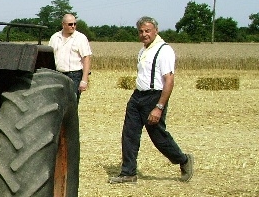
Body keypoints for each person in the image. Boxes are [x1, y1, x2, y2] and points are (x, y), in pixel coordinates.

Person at [109, 16, 194, 184]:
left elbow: (169, 80)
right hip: (137, 96)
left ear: (156, 30)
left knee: (158, 137)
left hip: (154, 97)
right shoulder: (143, 50)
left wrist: (159, 107)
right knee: (129, 134)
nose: (144, 34)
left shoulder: (164, 50)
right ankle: (128, 173)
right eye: (141, 31)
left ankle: (183, 159)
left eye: (147, 31)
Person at [49, 14, 92, 101]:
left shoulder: (81, 38)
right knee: (57, 102)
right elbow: (49, 56)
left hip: (74, 76)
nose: (73, 26)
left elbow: (86, 59)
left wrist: (84, 80)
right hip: (57, 75)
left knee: (71, 103)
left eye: (74, 24)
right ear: (63, 24)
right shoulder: (54, 37)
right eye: (70, 24)